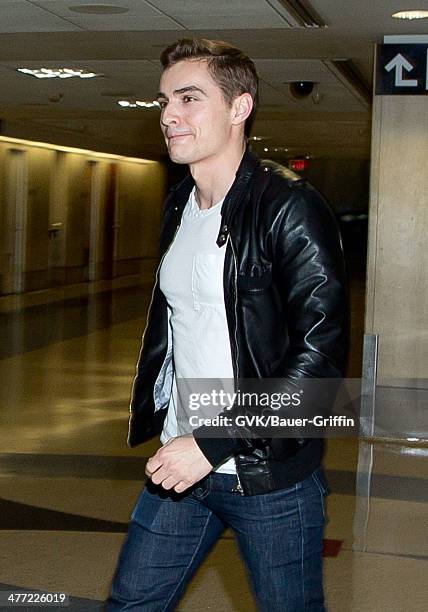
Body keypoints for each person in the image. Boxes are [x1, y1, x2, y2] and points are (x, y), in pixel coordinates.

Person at [107, 38, 348, 611]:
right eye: (164, 100)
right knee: (130, 604)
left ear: (240, 107)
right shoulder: (180, 206)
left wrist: (213, 442)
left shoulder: (289, 206)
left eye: (189, 98)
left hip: (266, 473)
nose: (169, 115)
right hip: (180, 460)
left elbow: (320, 363)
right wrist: (180, 433)